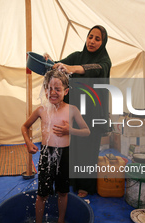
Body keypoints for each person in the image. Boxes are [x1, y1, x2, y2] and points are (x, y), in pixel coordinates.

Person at [21, 69, 90, 223]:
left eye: (57, 89)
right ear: (45, 90)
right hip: (46, 154)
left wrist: (70, 130)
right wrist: (29, 143)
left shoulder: (72, 110)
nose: (53, 93)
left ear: (66, 91)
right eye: (49, 88)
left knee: (62, 192)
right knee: (41, 194)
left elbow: (86, 131)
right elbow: (24, 127)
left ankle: (60, 222)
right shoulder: (42, 110)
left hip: (64, 155)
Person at [44, 25, 111, 197]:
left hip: (93, 112)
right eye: (90, 37)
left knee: (88, 148)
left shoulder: (104, 61)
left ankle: (86, 185)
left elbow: (94, 68)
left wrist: (72, 68)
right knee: (71, 147)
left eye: (97, 39)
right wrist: (49, 61)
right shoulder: (77, 56)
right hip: (74, 110)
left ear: (103, 43)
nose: (92, 41)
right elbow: (57, 67)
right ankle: (72, 180)